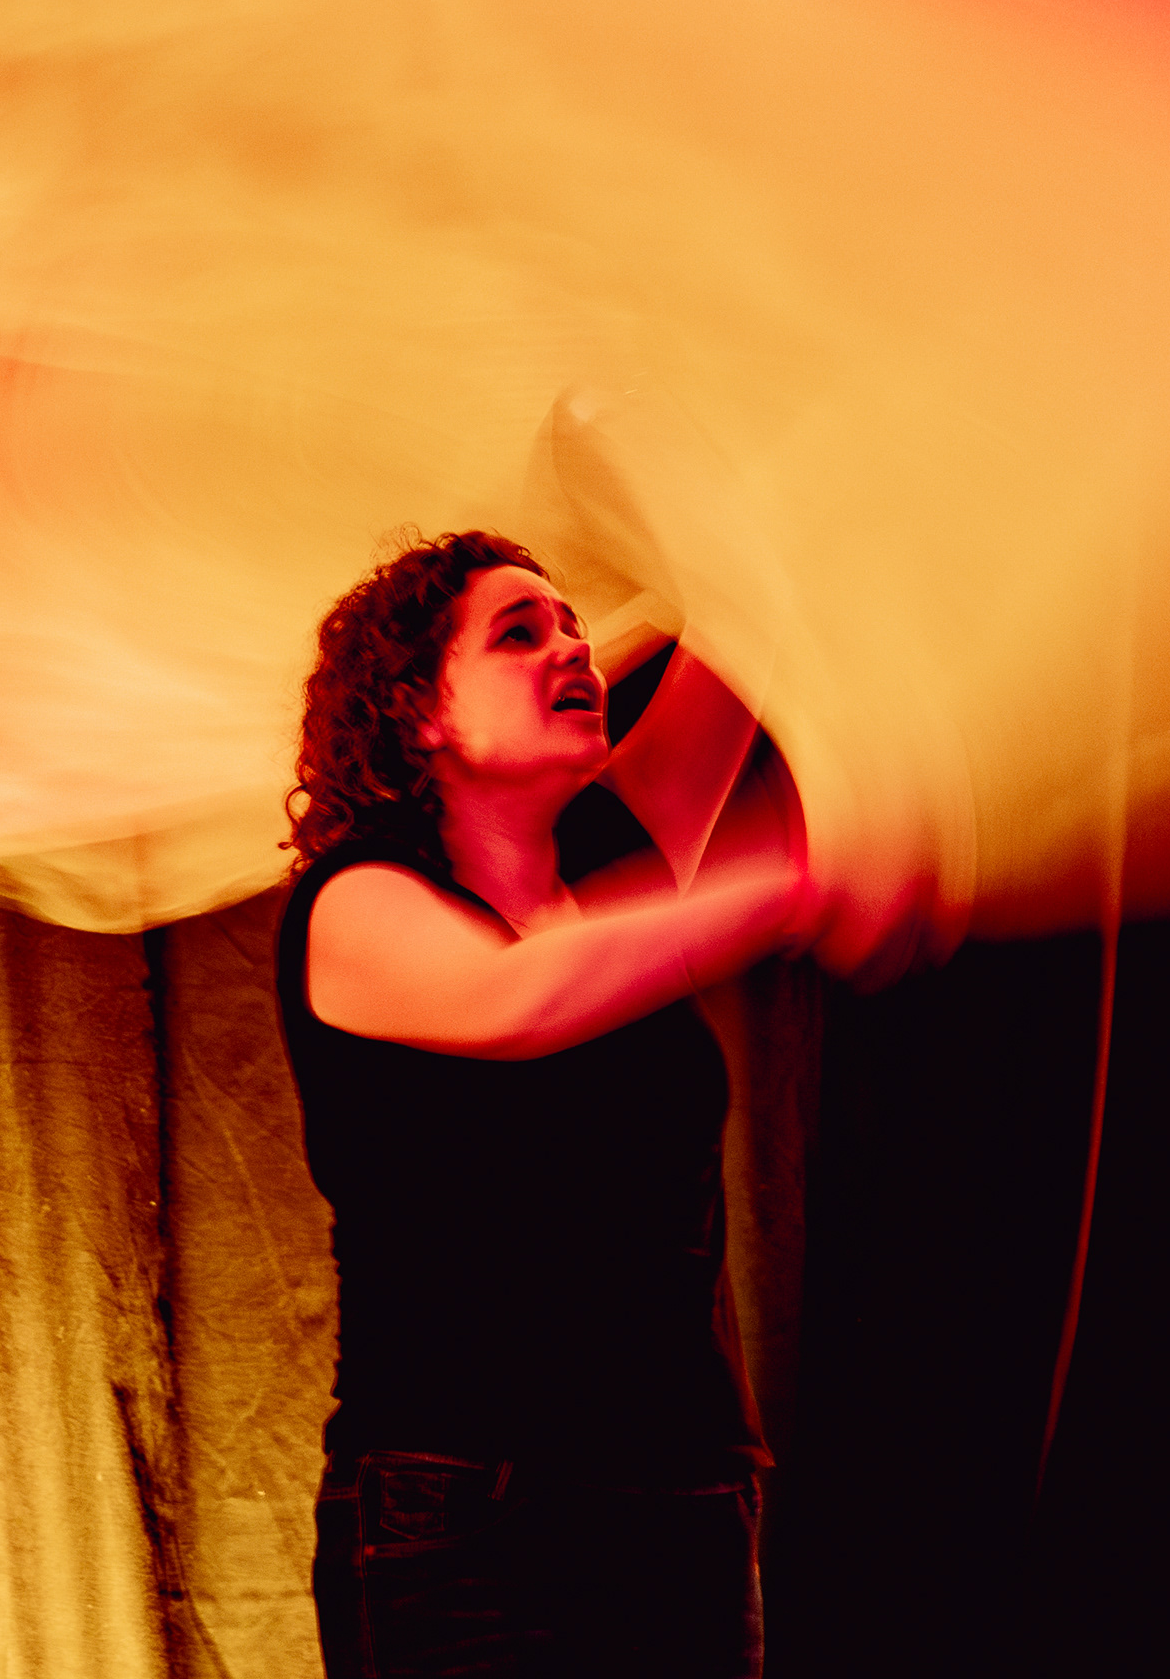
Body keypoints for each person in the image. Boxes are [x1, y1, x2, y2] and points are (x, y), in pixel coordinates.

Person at [278, 531, 821, 1679]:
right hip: (469, 1520)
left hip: (689, 1504)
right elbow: (520, 995)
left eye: (572, 626)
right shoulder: (356, 902)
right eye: (519, 633)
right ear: (417, 707)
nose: (573, 649)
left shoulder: (612, 855)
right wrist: (784, 891)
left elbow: (752, 592)